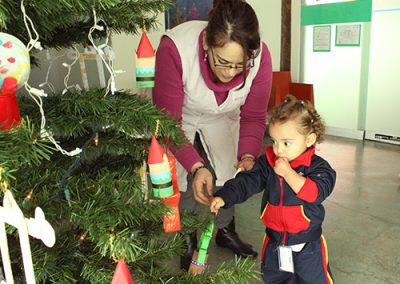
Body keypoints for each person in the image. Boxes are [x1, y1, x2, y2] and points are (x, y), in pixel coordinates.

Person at [152, 0, 272, 271]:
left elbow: (253, 116)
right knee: (184, 182)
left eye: (240, 65)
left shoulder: (261, 56)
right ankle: (188, 239)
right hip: (182, 117)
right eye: (223, 62)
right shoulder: (175, 48)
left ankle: (225, 231)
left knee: (230, 173)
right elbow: (169, 123)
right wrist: (196, 167)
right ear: (206, 42)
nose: (230, 73)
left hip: (223, 116)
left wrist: (249, 153)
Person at [210, 95, 336, 283]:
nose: (278, 150)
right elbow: (248, 181)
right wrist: (224, 196)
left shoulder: (319, 168)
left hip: (307, 244)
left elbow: (314, 193)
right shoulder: (268, 163)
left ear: (309, 139)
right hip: (275, 242)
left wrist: (288, 174)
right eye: (274, 141)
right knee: (275, 278)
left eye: (286, 143)